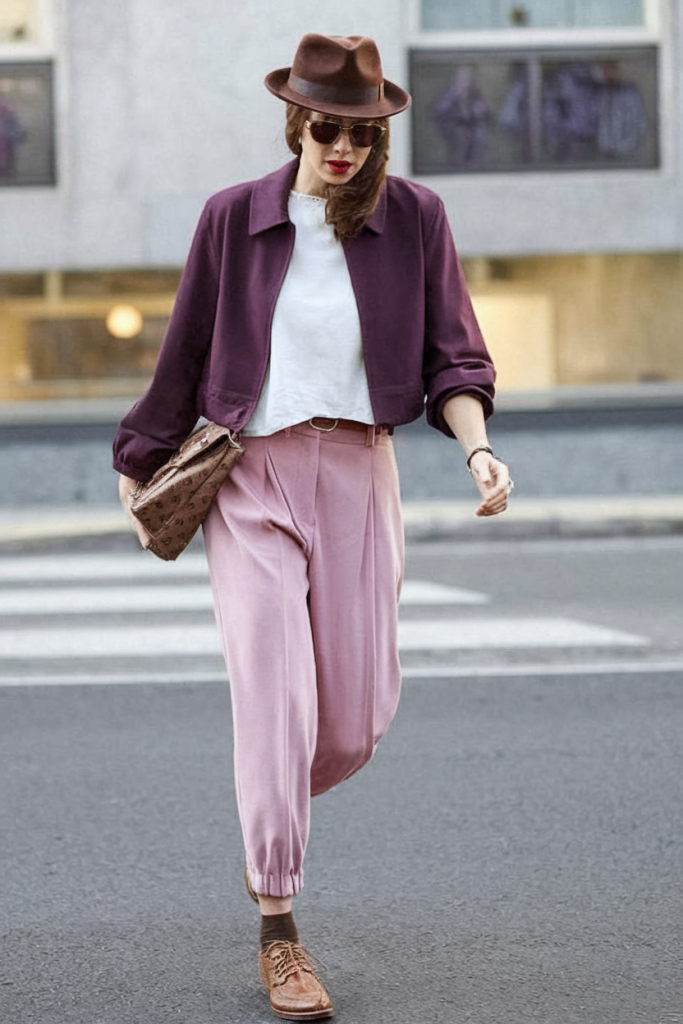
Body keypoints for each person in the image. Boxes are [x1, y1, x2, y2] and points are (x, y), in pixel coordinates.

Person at [114, 32, 512, 1022]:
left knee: (351, 720)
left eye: (359, 131)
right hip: (248, 475)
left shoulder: (414, 220)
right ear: (296, 119)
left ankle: (271, 795)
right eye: (326, 126)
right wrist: (136, 462)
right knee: (276, 698)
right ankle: (279, 924)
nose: (340, 146)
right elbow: (186, 349)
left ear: (378, 136)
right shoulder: (233, 220)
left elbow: (455, 357)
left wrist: (475, 451)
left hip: (358, 472)